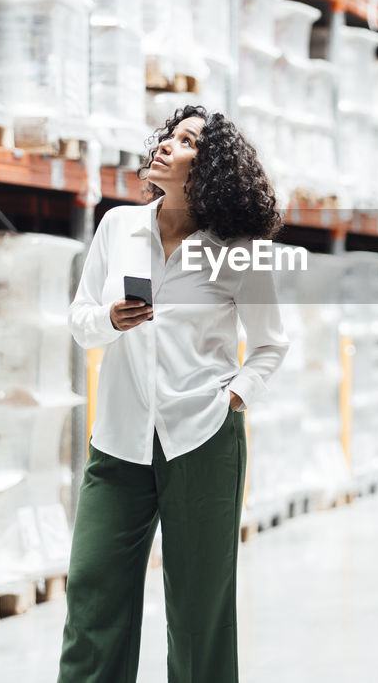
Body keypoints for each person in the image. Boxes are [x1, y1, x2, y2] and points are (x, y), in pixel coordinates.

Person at [57, 105, 290, 683]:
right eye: (168, 134)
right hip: (118, 441)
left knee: (198, 615)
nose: (164, 144)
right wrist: (112, 319)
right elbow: (80, 320)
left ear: (208, 167)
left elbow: (270, 345)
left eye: (185, 141)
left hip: (203, 439)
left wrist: (231, 397)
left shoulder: (238, 249)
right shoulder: (118, 227)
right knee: (92, 598)